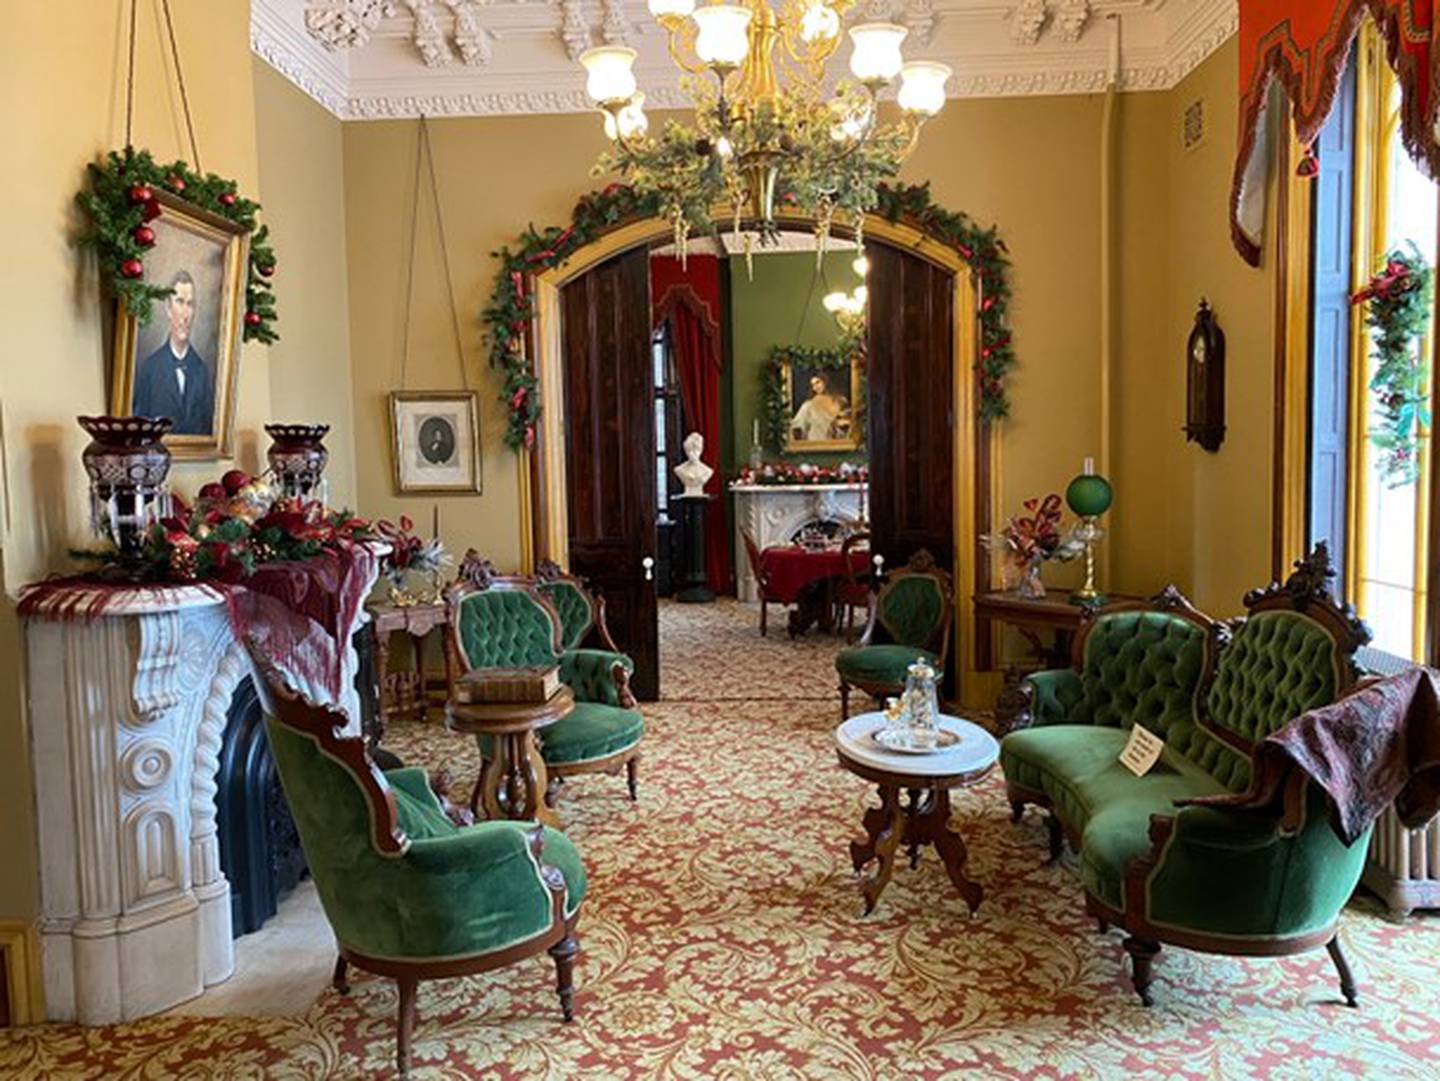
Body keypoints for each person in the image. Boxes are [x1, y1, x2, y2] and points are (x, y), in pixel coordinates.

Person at [133, 270, 214, 434]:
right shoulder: (150, 369)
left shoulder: (202, 371)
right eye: (180, 302)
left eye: (190, 304)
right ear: (168, 309)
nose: (185, 314)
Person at [790, 373, 847, 442]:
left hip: (836, 444)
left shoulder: (840, 401)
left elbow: (847, 422)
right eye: (813, 385)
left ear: (825, 381)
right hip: (815, 444)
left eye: (818, 382)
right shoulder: (808, 406)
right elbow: (797, 427)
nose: (815, 387)